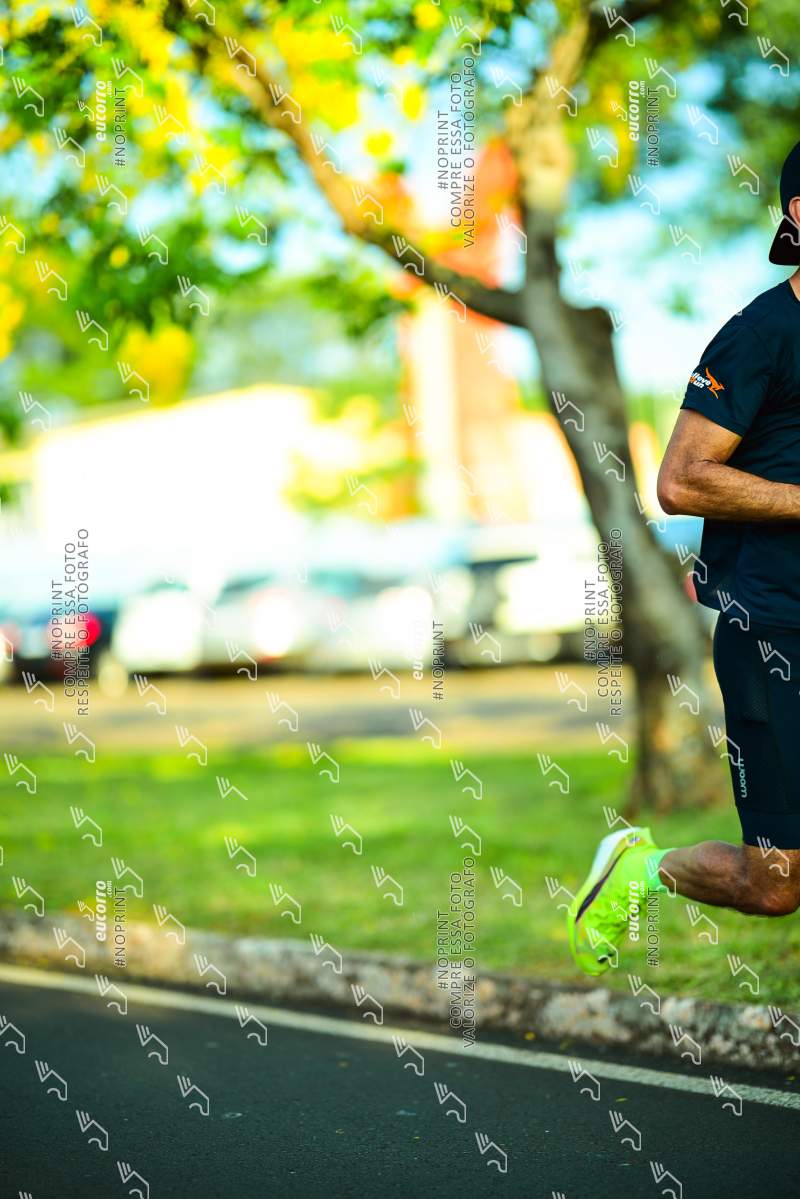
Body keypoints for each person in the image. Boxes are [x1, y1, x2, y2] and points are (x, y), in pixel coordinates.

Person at [567, 140, 800, 975]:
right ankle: (642, 866)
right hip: (774, 633)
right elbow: (680, 480)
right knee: (777, 885)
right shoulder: (759, 337)